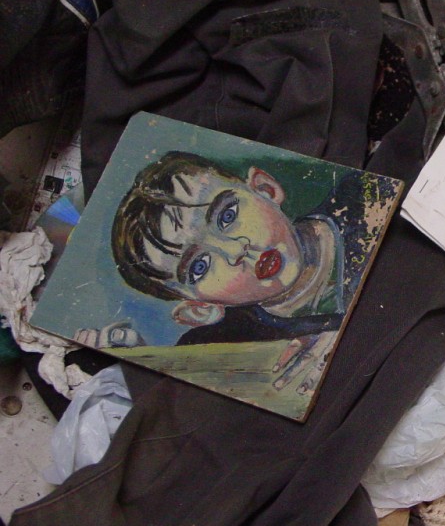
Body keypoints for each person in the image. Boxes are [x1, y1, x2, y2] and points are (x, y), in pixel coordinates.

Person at [103, 150, 395, 391]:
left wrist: (349, 339)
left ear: (265, 189)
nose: (236, 251)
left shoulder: (369, 199)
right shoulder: (230, 347)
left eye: (227, 216)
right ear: (200, 309)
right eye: (200, 266)